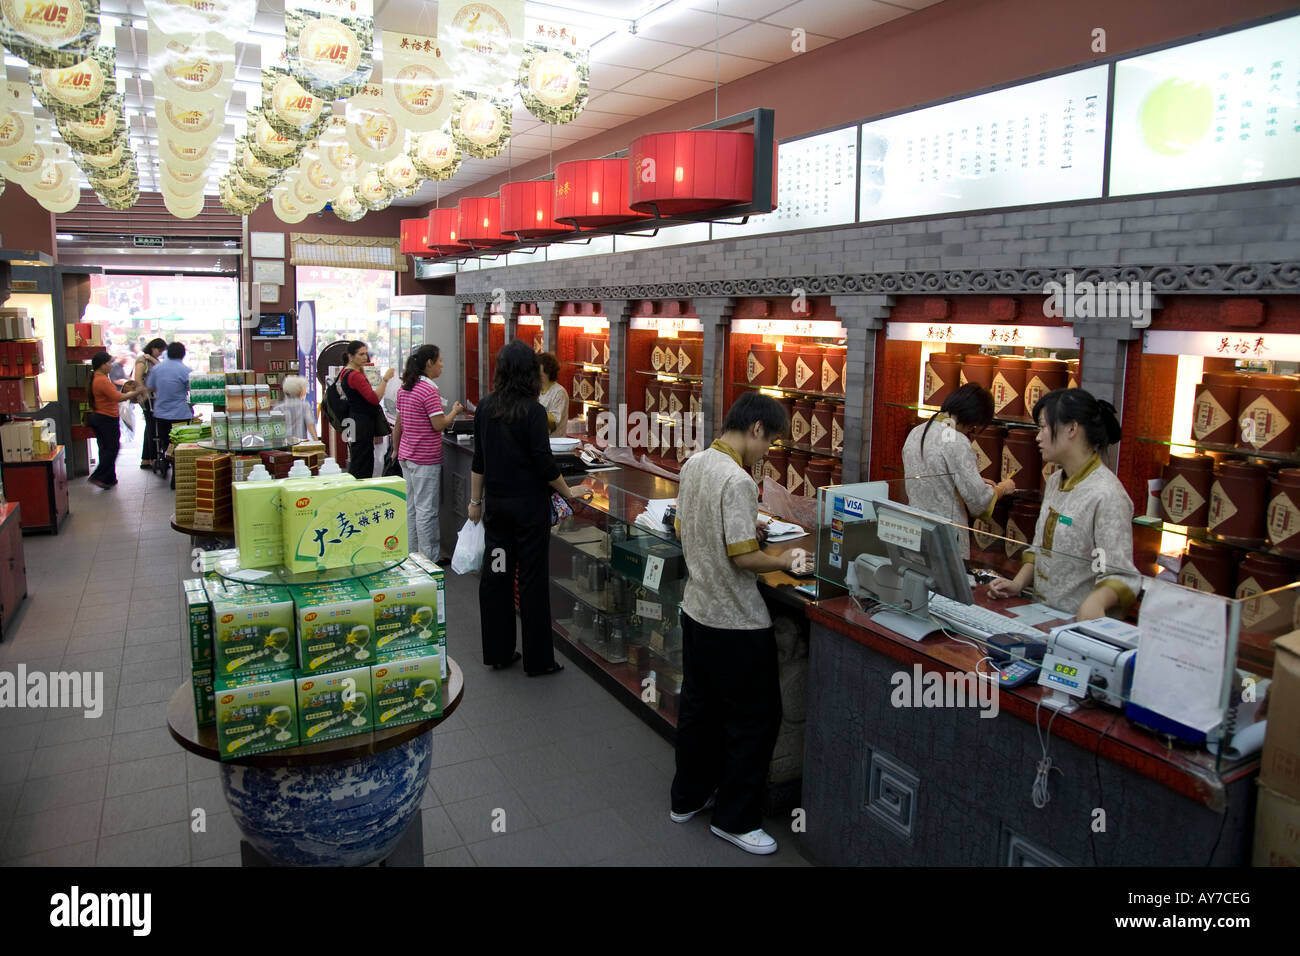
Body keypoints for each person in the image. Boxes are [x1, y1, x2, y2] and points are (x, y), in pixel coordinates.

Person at [669, 392, 811, 856]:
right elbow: (742, 555)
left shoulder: (695, 463)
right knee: (754, 721)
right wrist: (786, 558)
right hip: (735, 622)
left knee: (699, 709)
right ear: (755, 429)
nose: (769, 450)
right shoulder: (739, 480)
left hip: (696, 610)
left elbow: (685, 527)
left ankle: (688, 797)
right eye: (770, 441)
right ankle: (735, 819)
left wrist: (745, 531)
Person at [469, 341, 587, 676]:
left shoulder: (485, 407)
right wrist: (569, 493)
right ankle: (538, 660)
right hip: (530, 514)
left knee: (497, 578)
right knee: (532, 583)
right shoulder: (533, 411)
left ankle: (499, 651)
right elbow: (544, 464)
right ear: (529, 372)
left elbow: (479, 461)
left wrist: (475, 501)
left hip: (498, 513)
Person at [987, 388, 1141, 621]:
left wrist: (1096, 602)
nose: (1038, 437)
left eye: (1043, 427)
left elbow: (1122, 575)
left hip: (1078, 627)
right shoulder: (1055, 481)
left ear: (1071, 428)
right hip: (1040, 614)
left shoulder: (1107, 494)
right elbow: (1039, 547)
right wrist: (1017, 584)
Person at [902, 383, 1016, 560]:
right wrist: (1002, 488)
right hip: (946, 536)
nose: (972, 430)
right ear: (972, 417)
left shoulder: (917, 432)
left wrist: (973, 480)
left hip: (915, 529)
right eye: (974, 426)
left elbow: (936, 474)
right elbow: (979, 501)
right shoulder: (956, 440)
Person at [392, 344, 463, 561]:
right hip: (424, 458)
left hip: (406, 455)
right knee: (426, 511)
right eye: (440, 360)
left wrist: (396, 451)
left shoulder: (404, 388)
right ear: (429, 363)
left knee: (412, 508)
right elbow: (438, 424)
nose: (442, 365)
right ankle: (428, 560)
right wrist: (455, 412)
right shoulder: (429, 389)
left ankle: (412, 555)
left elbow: (398, 424)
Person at [337, 340, 394, 479]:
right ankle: (361, 491)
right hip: (362, 421)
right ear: (351, 356)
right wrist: (385, 379)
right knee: (363, 459)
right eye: (361, 354)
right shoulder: (355, 376)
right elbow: (374, 398)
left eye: (366, 354)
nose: (365, 357)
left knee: (358, 456)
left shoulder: (345, 372)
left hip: (353, 419)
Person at [87, 351, 140, 488]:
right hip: (106, 418)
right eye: (109, 363)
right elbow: (118, 397)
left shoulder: (96, 378)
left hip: (99, 417)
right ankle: (98, 476)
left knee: (105, 449)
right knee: (112, 448)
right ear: (102, 365)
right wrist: (136, 392)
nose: (111, 365)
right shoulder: (102, 380)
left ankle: (109, 478)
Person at [145, 342, 194, 471]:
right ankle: (177, 469)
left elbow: (150, 386)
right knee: (180, 442)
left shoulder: (157, 369)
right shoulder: (186, 371)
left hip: (161, 414)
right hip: (180, 415)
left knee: (165, 440)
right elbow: (193, 392)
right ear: (183, 354)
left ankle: (166, 461)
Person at [133, 338, 166, 469]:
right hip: (148, 399)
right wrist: (144, 394)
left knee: (151, 427)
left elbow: (162, 369)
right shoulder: (142, 360)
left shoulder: (151, 360)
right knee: (152, 427)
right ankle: (151, 457)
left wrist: (152, 359)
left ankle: (147, 458)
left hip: (155, 398)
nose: (160, 353)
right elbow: (137, 379)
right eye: (159, 350)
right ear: (153, 347)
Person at [276, 376, 319, 443]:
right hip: (300, 443)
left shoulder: (278, 408)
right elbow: (310, 425)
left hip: (284, 444)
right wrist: (317, 442)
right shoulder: (305, 406)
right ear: (300, 391)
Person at [537, 352, 568, 438]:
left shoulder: (559, 392)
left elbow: (554, 423)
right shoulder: (536, 390)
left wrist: (534, 411)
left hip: (555, 443)